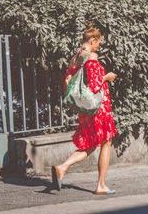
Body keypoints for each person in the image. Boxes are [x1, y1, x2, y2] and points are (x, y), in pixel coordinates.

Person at [52, 22, 118, 195]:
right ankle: (101, 185)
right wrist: (107, 77)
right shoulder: (91, 56)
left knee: (90, 143)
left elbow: (70, 80)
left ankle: (63, 167)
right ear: (93, 40)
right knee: (105, 142)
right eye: (99, 43)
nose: (99, 46)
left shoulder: (75, 58)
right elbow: (96, 84)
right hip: (98, 108)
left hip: (85, 108)